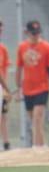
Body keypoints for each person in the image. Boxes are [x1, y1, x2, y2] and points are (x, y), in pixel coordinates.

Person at [16, 20, 49, 147]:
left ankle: (35, 148)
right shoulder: (22, 47)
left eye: (37, 33)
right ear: (27, 33)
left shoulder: (48, 48)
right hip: (28, 89)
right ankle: (42, 145)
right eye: (33, 33)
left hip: (42, 88)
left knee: (37, 118)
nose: (35, 36)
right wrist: (18, 89)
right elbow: (19, 69)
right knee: (34, 121)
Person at [0, 20, 12, 150]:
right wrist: (7, 89)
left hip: (1, 86)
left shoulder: (3, 49)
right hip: (1, 86)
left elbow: (3, 69)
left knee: (3, 115)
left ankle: (6, 143)